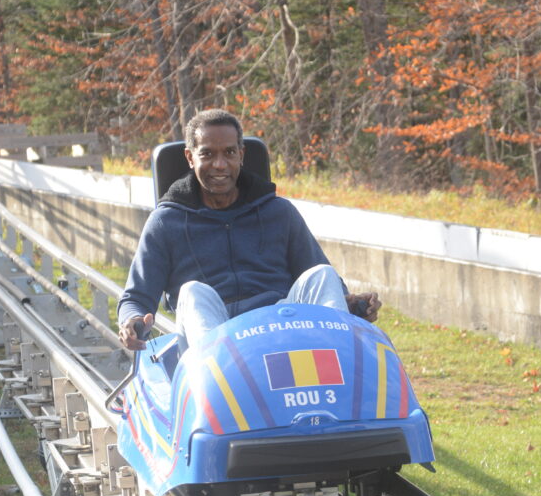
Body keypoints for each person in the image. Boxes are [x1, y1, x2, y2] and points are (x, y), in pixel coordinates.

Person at [117, 108, 381, 351]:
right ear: (190, 157)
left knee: (323, 275)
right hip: (215, 334)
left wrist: (352, 304)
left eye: (229, 153)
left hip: (281, 323)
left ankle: (339, 374)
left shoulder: (279, 212)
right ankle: (218, 387)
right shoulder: (165, 222)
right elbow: (135, 298)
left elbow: (325, 284)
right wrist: (132, 320)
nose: (220, 164)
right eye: (207, 154)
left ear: (241, 155)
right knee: (193, 292)